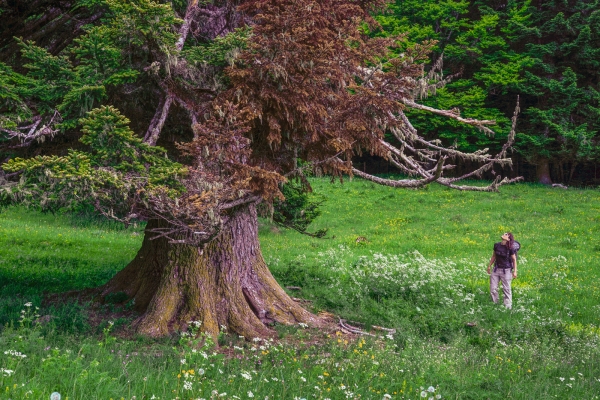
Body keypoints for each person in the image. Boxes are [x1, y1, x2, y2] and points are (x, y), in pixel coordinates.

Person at [487, 232, 518, 309]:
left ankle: (508, 306)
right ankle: (495, 304)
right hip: (496, 269)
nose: (504, 234)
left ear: (508, 238)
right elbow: (494, 256)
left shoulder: (511, 248)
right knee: (493, 287)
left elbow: (514, 259)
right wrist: (489, 266)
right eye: (504, 234)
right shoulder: (497, 245)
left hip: (506, 270)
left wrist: (515, 271)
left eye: (506, 234)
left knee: (506, 289)